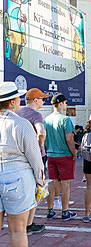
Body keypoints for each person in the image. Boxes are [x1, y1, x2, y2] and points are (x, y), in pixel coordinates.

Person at [0, 82, 45, 246]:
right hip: (17, 177)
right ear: (12, 102)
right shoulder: (21, 124)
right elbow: (35, 158)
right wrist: (40, 181)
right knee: (18, 229)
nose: (20, 100)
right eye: (18, 97)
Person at [16, 88, 49, 235]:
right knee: (38, 189)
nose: (44, 101)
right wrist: (39, 147)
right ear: (35, 100)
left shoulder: (17, 114)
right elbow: (41, 132)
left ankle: (22, 223)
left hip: (19, 157)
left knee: (23, 190)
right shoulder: (36, 115)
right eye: (42, 99)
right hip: (35, 157)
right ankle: (29, 224)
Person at [44, 94, 77, 221]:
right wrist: (74, 153)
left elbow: (45, 138)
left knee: (52, 183)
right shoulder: (66, 120)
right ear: (62, 103)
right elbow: (69, 139)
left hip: (51, 155)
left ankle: (50, 210)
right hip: (64, 155)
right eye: (66, 102)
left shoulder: (46, 119)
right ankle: (65, 212)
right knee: (65, 184)